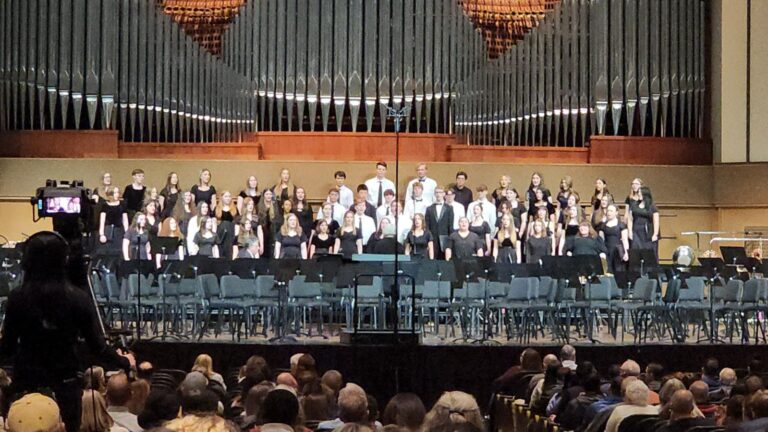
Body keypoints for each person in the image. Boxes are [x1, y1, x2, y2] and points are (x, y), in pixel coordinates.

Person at [2, 231, 135, 432]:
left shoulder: (17, 298)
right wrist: (125, 362)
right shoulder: (78, 298)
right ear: (63, 261)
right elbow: (97, 347)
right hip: (65, 387)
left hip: (26, 384)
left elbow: (7, 348)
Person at [627, 185, 660, 258]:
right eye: (638, 192)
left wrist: (655, 234)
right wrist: (629, 231)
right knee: (636, 250)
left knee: (648, 252)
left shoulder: (652, 206)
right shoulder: (634, 205)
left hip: (647, 232)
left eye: (640, 193)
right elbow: (630, 219)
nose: (638, 194)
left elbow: (656, 221)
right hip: (636, 231)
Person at [598, 204, 630, 273]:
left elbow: (625, 240)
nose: (609, 212)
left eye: (611, 211)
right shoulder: (603, 226)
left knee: (618, 271)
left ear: (616, 212)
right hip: (607, 250)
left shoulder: (621, 225)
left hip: (617, 251)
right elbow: (601, 240)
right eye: (608, 210)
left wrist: (626, 252)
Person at [425, 187, 454, 259]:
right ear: (434, 194)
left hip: (445, 238)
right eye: (436, 192)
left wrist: (450, 241)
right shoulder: (429, 208)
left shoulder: (449, 208)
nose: (438, 194)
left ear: (444, 194)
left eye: (440, 192)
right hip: (432, 239)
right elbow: (427, 225)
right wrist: (428, 239)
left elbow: (450, 225)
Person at [98, 187, 129, 252]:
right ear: (110, 195)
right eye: (115, 193)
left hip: (119, 231)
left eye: (117, 192)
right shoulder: (105, 205)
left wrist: (127, 233)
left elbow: (125, 220)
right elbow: (102, 221)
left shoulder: (122, 204)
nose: (117, 194)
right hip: (108, 231)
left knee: (119, 250)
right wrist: (101, 234)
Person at [214, 191, 238, 260]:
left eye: (229, 196)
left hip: (231, 234)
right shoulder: (217, 209)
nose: (228, 198)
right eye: (226, 196)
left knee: (230, 253)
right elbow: (214, 222)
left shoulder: (235, 209)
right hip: (220, 235)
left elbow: (237, 223)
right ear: (222, 198)